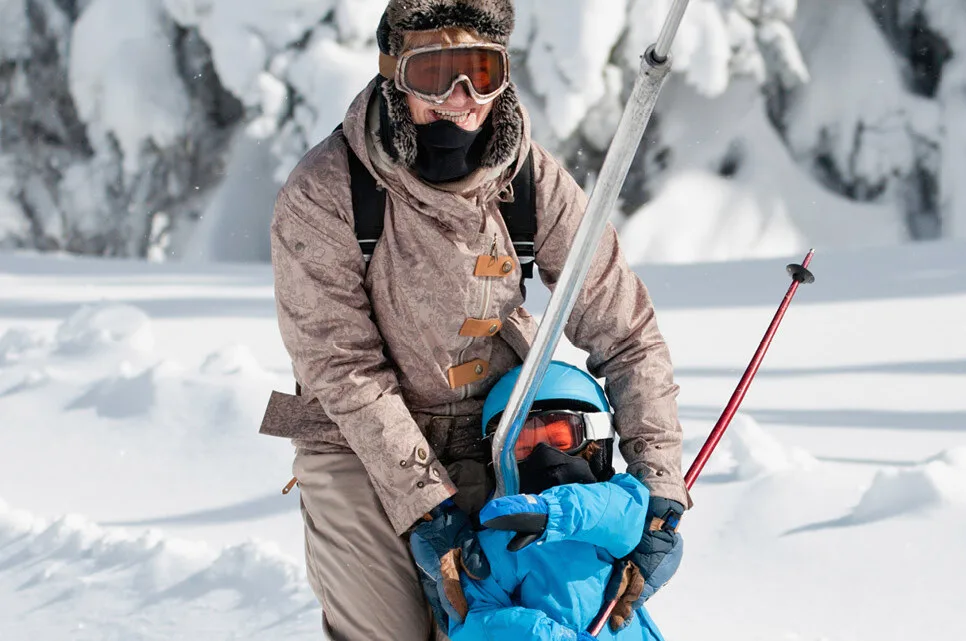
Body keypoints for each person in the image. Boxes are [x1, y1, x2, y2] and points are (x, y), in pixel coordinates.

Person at [259, 1, 687, 638]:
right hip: (355, 439)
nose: (460, 98)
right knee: (392, 630)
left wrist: (660, 489)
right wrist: (428, 509)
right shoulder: (326, 191)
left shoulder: (529, 179)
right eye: (435, 75)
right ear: (394, 76)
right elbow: (342, 369)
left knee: (536, 613)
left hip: (499, 431)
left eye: (481, 74)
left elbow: (625, 333)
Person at [414, 362, 668, 641]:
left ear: (595, 439)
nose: (545, 455)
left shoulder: (620, 505)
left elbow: (624, 516)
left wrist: (553, 512)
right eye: (523, 446)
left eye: (561, 439)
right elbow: (478, 623)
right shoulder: (500, 540)